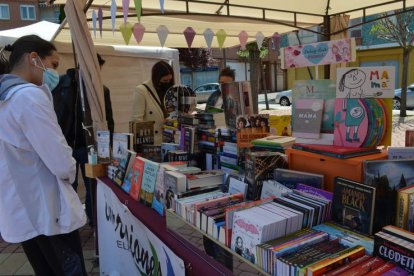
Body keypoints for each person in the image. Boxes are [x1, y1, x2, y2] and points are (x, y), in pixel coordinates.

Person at [0, 35, 87, 275]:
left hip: (22, 211)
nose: (54, 73)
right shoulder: (28, 96)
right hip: (50, 213)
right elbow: (61, 162)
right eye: (54, 64)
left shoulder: (5, 98)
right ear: (34, 59)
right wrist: (70, 168)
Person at [132, 60, 174, 145]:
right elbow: (137, 120)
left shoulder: (170, 91)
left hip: (169, 140)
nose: (167, 83)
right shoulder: (141, 90)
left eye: (170, 80)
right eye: (165, 81)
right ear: (156, 78)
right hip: (152, 144)